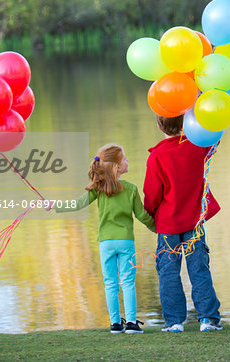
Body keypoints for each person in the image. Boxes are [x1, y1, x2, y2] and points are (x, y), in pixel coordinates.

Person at [54, 143, 155, 334]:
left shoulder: (98, 188)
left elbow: (77, 204)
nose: (127, 161)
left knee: (110, 283)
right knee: (127, 282)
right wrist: (158, 228)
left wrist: (54, 204)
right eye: (124, 159)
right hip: (125, 242)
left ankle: (115, 324)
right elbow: (142, 216)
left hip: (106, 243)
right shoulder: (131, 188)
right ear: (117, 166)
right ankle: (132, 323)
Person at [143, 114, 222, 332]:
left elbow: (151, 193)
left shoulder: (156, 156)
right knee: (199, 269)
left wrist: (150, 213)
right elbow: (215, 139)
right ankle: (208, 319)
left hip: (168, 225)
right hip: (194, 221)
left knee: (168, 272)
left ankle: (175, 322)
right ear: (185, 123)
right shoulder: (196, 146)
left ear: (159, 125)